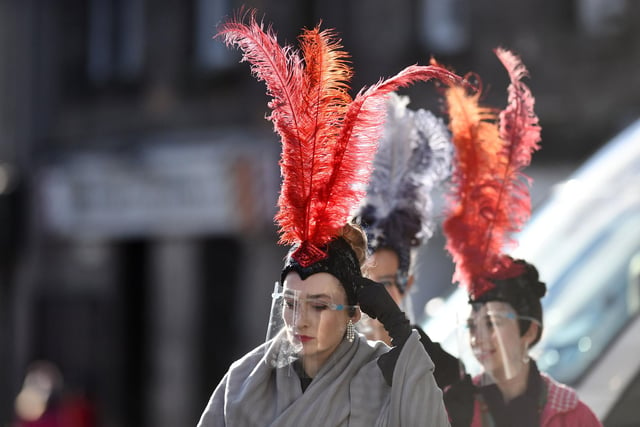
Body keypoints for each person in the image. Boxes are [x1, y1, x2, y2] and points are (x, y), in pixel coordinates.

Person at [197, 9, 461, 427]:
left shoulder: (385, 378)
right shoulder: (243, 382)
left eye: (319, 306)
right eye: (290, 303)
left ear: (353, 311)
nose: (299, 320)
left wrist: (395, 324)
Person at [439, 48, 602, 426]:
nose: (479, 337)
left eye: (492, 323)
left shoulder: (574, 416)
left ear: (529, 330)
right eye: (473, 325)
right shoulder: (456, 408)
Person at [355, 92, 461, 389]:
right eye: (364, 283)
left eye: (385, 283)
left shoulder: (442, 369)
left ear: (408, 283)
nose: (372, 297)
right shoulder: (334, 362)